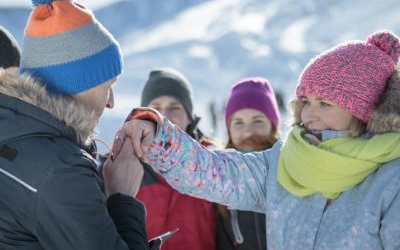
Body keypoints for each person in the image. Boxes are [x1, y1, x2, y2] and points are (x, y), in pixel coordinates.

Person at [114, 30, 400, 249]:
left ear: (363, 112)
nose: (309, 115)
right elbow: (209, 171)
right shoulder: (284, 162)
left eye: (325, 103)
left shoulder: (391, 180)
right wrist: (157, 133)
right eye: (305, 101)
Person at [0, 0, 148, 249]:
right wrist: (122, 196)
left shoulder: (13, 131)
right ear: (76, 86)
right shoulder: (59, 171)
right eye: (107, 85)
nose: (111, 102)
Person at [133, 68, 218, 250]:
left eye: (174, 107)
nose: (164, 116)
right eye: (155, 108)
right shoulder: (125, 165)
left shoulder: (213, 160)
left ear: (190, 116)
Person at [217, 77, 280, 250]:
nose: (248, 132)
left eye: (258, 121)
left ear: (273, 126)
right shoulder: (220, 176)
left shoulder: (293, 167)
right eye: (238, 123)